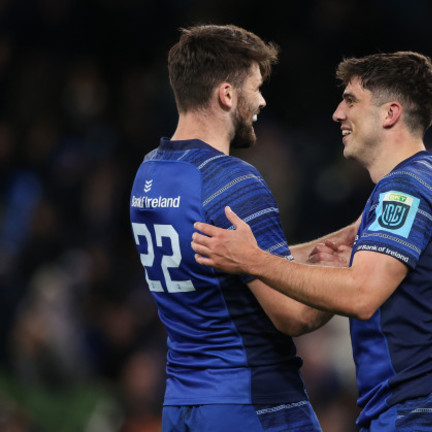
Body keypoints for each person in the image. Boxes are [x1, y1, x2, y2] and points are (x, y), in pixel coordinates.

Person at [191, 51, 432, 431]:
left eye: (351, 101)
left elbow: (361, 295)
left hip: (422, 407)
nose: (338, 114)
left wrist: (253, 260)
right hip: (430, 401)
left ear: (390, 114)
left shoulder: (406, 187)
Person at [129, 24, 356, 432]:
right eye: (255, 87)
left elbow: (232, 265)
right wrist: (340, 276)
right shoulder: (233, 180)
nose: (263, 101)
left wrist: (329, 243)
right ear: (227, 95)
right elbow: (294, 317)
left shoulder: (149, 173)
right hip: (255, 403)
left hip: (182, 405)